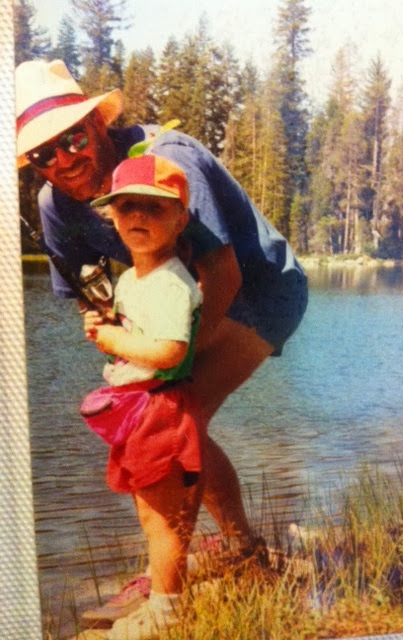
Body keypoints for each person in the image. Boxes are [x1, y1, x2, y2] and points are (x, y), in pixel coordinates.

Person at [16, 59, 308, 622]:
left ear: (97, 124)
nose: (64, 160)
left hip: (262, 289)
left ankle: (167, 585)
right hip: (178, 303)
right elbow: (88, 291)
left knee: (172, 418)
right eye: (45, 154)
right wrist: (116, 336)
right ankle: (240, 550)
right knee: (166, 417)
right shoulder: (56, 206)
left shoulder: (167, 160)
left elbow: (223, 272)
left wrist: (168, 364)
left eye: (72, 139)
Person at [80, 154, 204, 638]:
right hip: (138, 408)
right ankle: (165, 596)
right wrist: (105, 326)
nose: (138, 216)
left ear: (180, 219)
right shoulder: (132, 279)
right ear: (112, 215)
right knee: (150, 514)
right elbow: (138, 335)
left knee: (162, 522)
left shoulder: (171, 282)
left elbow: (170, 351)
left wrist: (115, 340)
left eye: (154, 207)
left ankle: (168, 613)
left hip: (160, 409)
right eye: (126, 206)